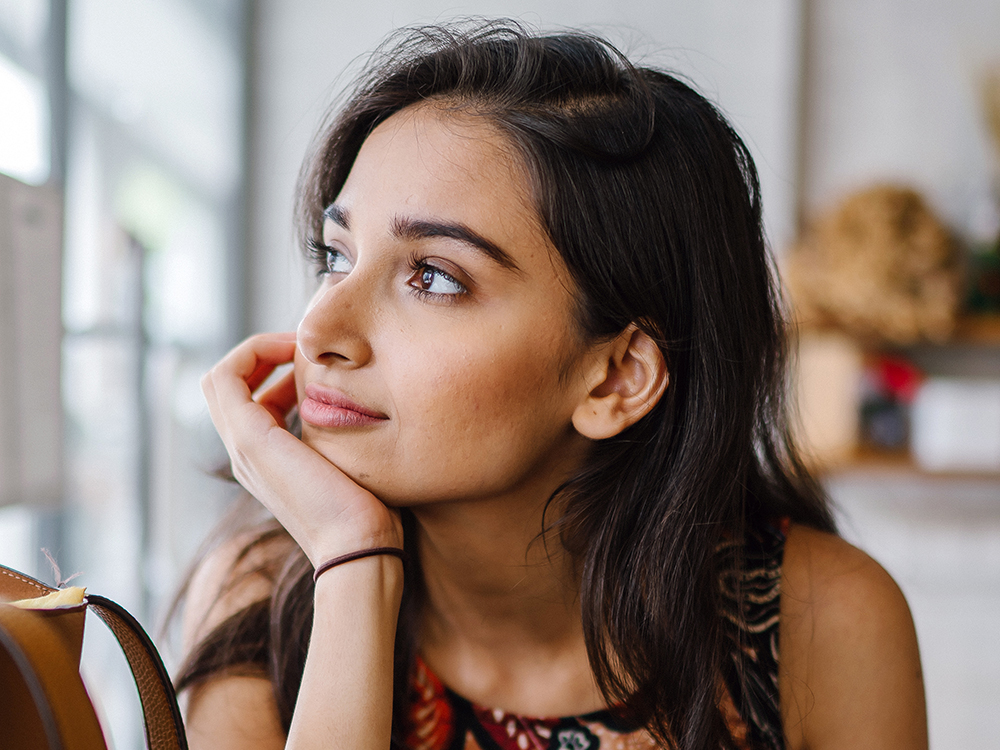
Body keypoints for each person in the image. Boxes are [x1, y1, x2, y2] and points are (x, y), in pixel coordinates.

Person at [178, 21, 927, 750]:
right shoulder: (256, 598)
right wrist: (351, 563)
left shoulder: (822, 625)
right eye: (336, 256)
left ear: (615, 378)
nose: (317, 331)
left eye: (433, 276)